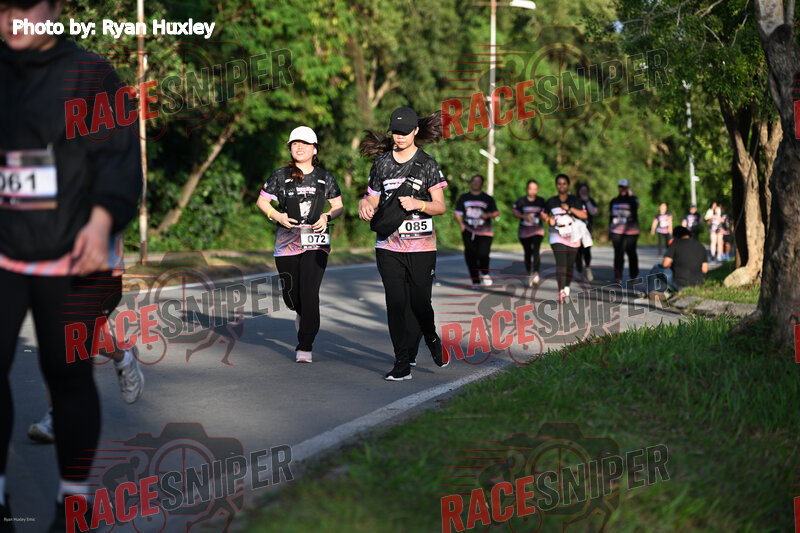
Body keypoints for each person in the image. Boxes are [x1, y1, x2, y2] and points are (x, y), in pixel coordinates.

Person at [0, 0, 142, 529]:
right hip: (6, 251)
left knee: (67, 374)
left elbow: (120, 160)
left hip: (74, 255)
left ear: (55, 9)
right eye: (3, 8)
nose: (13, 20)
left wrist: (101, 223)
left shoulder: (91, 75)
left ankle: (74, 504)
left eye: (25, 7)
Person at [358, 106, 448, 380]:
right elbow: (372, 197)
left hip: (422, 247)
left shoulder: (428, 163)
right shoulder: (382, 164)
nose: (399, 136)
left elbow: (440, 206)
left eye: (405, 132)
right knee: (396, 303)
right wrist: (365, 204)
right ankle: (402, 363)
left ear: (416, 131)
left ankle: (430, 336)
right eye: (395, 131)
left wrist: (418, 204)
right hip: (388, 246)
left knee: (419, 304)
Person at [257, 126, 343, 363]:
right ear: (290, 148)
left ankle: (305, 345)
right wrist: (278, 216)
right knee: (292, 297)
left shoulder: (325, 177)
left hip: (316, 242)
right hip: (286, 242)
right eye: (295, 144)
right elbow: (262, 202)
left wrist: (326, 216)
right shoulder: (280, 175)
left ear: (315, 149)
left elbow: (338, 206)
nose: (300, 147)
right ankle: (303, 316)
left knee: (309, 292)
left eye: (305, 144)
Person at [544, 174, 588, 301]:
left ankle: (567, 285)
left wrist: (570, 208)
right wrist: (549, 220)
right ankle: (561, 290)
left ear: (568, 185)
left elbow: (584, 216)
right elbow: (544, 214)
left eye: (564, 183)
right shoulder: (551, 201)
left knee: (569, 264)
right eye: (559, 183)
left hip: (573, 236)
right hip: (556, 236)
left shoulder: (575, 200)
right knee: (561, 263)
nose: (561, 186)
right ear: (556, 185)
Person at [454, 174, 499, 288]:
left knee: (483, 254)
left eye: (478, 181)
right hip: (468, 230)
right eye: (474, 180)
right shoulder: (464, 197)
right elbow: (457, 212)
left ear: (482, 184)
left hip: (485, 231)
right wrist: (461, 225)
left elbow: (496, 213)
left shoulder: (487, 198)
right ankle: (475, 280)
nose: (475, 183)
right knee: (470, 255)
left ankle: (485, 273)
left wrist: (487, 215)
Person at [647, 226, 708, 298]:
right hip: (697, 284)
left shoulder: (675, 243)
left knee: (657, 268)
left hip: (679, 284)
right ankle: (668, 293)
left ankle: (653, 292)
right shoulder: (700, 246)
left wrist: (673, 265)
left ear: (676, 236)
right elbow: (705, 269)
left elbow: (665, 264)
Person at [512, 179, 547, 286]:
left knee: (536, 250)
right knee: (527, 252)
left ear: (537, 190)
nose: (532, 191)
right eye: (530, 188)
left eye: (535, 189)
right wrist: (523, 216)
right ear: (527, 189)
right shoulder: (521, 201)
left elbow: (545, 213)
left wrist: (543, 216)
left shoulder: (541, 201)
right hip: (524, 230)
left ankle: (536, 273)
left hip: (537, 230)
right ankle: (529, 273)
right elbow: (514, 211)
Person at [608, 179, 640, 284]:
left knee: (631, 253)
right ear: (618, 188)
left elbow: (636, 205)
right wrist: (609, 231)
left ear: (628, 188)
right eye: (621, 187)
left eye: (625, 187)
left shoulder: (633, 200)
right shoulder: (614, 201)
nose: (623, 189)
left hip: (631, 231)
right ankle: (617, 277)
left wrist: (630, 194)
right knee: (618, 254)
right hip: (616, 231)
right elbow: (611, 217)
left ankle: (633, 276)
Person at [574, 183, 598, 281]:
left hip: (588, 230)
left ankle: (588, 268)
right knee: (578, 252)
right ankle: (579, 271)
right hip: (576, 230)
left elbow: (594, 212)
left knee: (587, 250)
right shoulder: (575, 201)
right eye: (582, 191)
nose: (584, 192)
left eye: (585, 191)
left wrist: (587, 201)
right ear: (579, 191)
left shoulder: (591, 201)